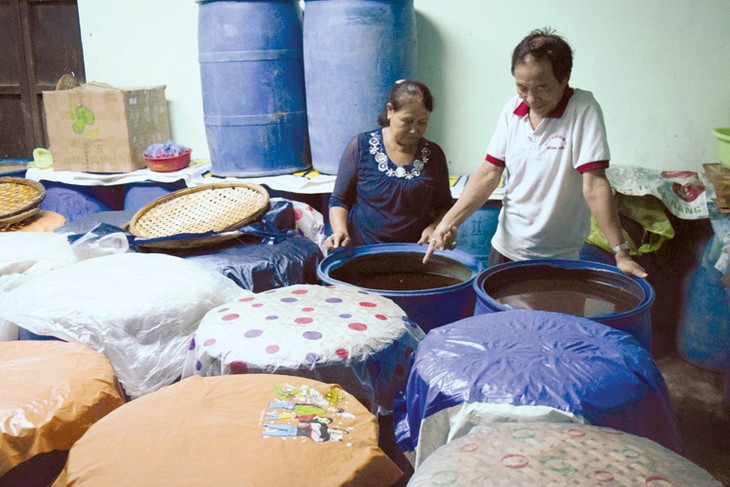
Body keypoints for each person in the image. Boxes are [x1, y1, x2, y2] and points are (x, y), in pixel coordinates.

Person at [424, 28, 647, 278]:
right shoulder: (512, 110)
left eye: (543, 87)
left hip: (561, 259)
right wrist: (449, 222)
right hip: (506, 250)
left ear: (564, 79)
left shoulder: (583, 109)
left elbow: (594, 185)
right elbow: (488, 173)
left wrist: (621, 254)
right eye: (522, 87)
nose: (531, 98)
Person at [324, 79, 453, 251]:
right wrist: (340, 230)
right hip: (362, 252)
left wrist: (434, 227)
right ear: (390, 111)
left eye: (422, 123)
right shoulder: (360, 146)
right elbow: (339, 200)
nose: (415, 130)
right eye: (407, 121)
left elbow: (444, 207)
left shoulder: (434, 155)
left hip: (415, 253)